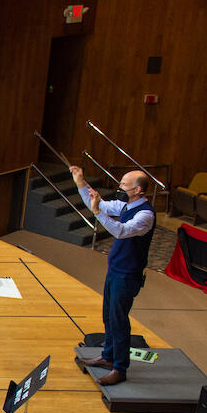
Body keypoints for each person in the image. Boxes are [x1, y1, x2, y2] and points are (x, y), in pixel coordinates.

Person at [69, 165, 156, 386]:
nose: (119, 188)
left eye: (124, 186)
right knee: (108, 316)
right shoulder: (125, 204)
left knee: (119, 321)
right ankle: (108, 356)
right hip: (115, 270)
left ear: (137, 190)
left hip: (128, 275)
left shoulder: (145, 215)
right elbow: (97, 203)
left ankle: (120, 368)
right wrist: (81, 182)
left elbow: (121, 231)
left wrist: (98, 212)